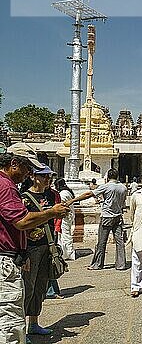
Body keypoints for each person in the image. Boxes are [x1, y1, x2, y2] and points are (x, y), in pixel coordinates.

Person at [0, 143, 68, 344]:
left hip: (22, 251)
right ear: (13, 163)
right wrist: (51, 213)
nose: (29, 173)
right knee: (9, 321)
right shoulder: (6, 186)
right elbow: (21, 221)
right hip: (6, 257)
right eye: (28, 168)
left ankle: (33, 323)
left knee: (35, 290)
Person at [20, 165, 61, 338]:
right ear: (33, 177)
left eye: (49, 176)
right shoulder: (25, 198)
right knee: (27, 287)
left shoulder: (51, 194)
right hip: (31, 247)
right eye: (43, 176)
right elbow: (20, 223)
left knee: (40, 286)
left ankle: (34, 323)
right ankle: (21, 328)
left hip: (48, 244)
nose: (47, 179)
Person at [66, 168, 127, 270]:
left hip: (107, 216)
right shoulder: (123, 187)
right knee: (119, 242)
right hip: (118, 216)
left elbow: (89, 194)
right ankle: (121, 264)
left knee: (102, 242)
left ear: (107, 177)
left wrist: (73, 200)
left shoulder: (106, 186)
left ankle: (98, 264)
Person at [54, 178, 75, 261]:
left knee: (65, 235)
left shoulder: (63, 194)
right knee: (65, 234)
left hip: (65, 217)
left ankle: (68, 253)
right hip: (68, 216)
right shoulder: (67, 192)